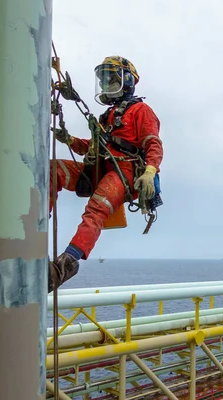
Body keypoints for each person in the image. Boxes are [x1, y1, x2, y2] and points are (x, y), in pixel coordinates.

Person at [48, 56, 163, 293]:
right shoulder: (108, 116)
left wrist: (150, 172)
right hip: (101, 169)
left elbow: (153, 143)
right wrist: (70, 140)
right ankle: (34, 226)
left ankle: (66, 264)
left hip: (124, 172)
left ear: (127, 81)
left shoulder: (141, 111)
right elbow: (94, 146)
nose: (106, 84)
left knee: (96, 208)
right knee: (53, 170)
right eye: (105, 80)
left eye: (111, 79)